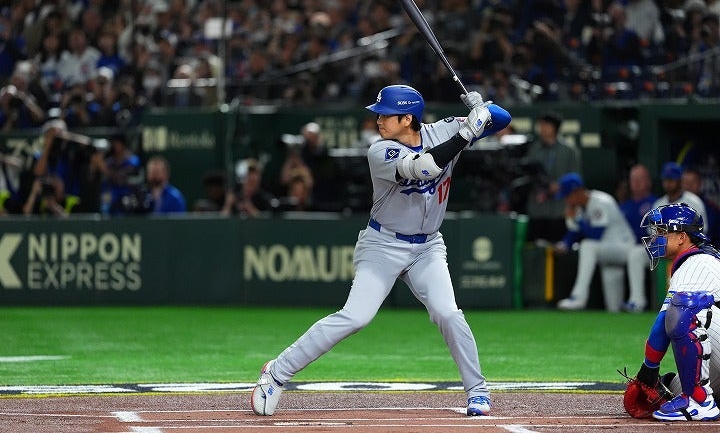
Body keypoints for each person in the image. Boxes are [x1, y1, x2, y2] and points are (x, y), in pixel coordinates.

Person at [250, 84, 512, 417]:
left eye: (386, 115)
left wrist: (483, 108)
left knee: (448, 313)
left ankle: (477, 390)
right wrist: (467, 132)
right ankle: (276, 373)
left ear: (407, 118)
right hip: (382, 244)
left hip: (427, 246)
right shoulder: (381, 151)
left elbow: (504, 119)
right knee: (356, 316)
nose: (378, 121)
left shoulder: (445, 128)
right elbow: (426, 168)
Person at [633, 203, 720, 421]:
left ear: (682, 237)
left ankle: (700, 401)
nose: (656, 237)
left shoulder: (697, 262)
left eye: (662, 232)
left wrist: (649, 367)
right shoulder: (696, 260)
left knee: (682, 312)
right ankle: (700, 396)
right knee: (674, 386)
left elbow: (664, 323)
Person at [554, 172, 637, 312]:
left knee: (587, 246)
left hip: (625, 247)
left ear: (577, 192)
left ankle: (578, 297)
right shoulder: (580, 207)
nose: (566, 201)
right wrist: (564, 244)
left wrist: (578, 220)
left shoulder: (600, 201)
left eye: (568, 196)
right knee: (613, 307)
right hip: (607, 251)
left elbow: (596, 235)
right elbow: (574, 233)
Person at [524, 111, 580, 243]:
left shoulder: (569, 150)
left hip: (559, 210)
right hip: (537, 208)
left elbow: (576, 177)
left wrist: (560, 185)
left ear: (555, 127)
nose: (542, 129)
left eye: (546, 125)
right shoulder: (534, 149)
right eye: (541, 125)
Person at [620, 164, 659, 312]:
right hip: (628, 248)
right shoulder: (624, 206)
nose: (636, 182)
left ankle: (637, 301)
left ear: (648, 181)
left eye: (640, 179)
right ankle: (614, 307)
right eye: (633, 179)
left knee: (635, 253)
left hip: (650, 248)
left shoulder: (656, 202)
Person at [682, 166, 720, 242]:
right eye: (686, 182)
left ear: (700, 184)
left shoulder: (711, 208)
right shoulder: (675, 205)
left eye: (693, 182)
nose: (689, 186)